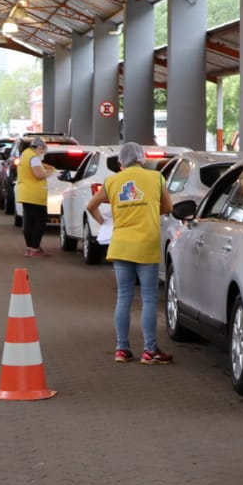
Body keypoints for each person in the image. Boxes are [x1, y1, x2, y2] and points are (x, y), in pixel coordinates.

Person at [86, 141, 174, 365]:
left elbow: (91, 205)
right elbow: (168, 207)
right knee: (148, 298)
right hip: (146, 243)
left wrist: (105, 222)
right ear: (142, 158)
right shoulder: (156, 178)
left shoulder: (112, 181)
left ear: (121, 161)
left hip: (121, 244)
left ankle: (121, 349)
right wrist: (151, 209)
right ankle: (149, 350)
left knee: (123, 297)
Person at [15, 137, 54, 257]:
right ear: (40, 148)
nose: (43, 154)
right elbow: (38, 175)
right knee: (39, 222)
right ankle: (35, 249)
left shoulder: (24, 155)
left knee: (29, 222)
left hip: (25, 192)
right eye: (43, 151)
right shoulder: (34, 157)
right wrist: (50, 172)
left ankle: (29, 248)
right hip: (34, 194)